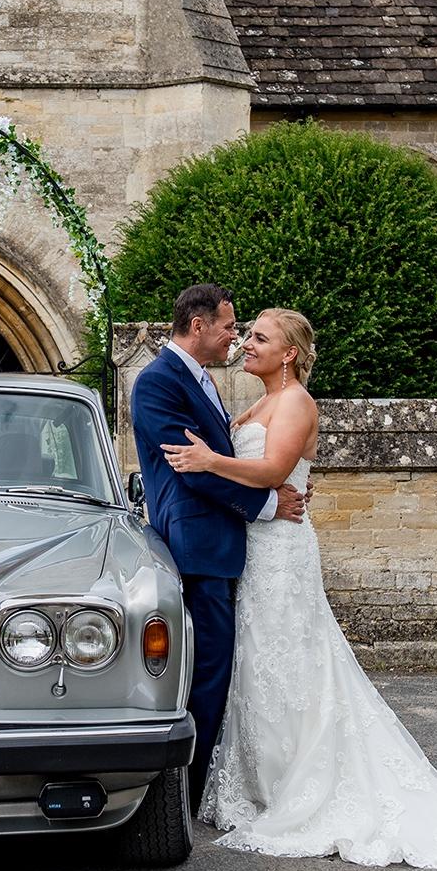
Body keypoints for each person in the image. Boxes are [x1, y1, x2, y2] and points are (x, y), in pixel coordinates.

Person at [161, 307, 437, 869]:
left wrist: (210, 459)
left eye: (259, 337)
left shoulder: (298, 403)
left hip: (280, 554)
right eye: (247, 333)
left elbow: (275, 471)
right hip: (256, 550)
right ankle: (263, 781)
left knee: (293, 662)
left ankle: (301, 787)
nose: (247, 344)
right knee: (258, 663)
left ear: (290, 355)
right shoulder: (258, 401)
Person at [130, 284, 307, 810]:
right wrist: (268, 505)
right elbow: (192, 469)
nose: (237, 337)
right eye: (231, 327)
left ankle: (204, 783)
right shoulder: (158, 382)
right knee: (207, 671)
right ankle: (184, 796)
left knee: (218, 668)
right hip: (198, 542)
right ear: (200, 325)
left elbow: (237, 459)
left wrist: (284, 480)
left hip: (225, 542)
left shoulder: (204, 378)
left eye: (248, 332)